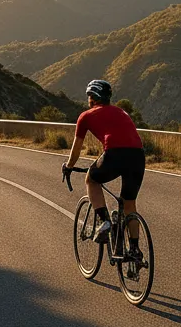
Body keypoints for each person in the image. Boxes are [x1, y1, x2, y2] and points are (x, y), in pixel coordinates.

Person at [62, 80, 146, 264]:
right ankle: (135, 249)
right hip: (139, 156)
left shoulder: (85, 116)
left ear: (92, 98)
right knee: (129, 204)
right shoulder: (121, 111)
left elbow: (76, 151)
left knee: (91, 180)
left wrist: (68, 166)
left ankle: (105, 221)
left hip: (115, 154)